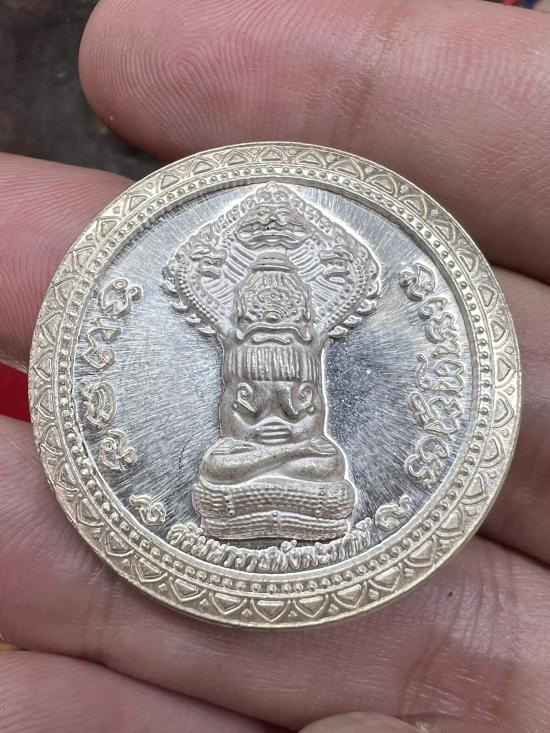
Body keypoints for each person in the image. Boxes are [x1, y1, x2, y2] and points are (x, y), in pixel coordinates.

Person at [0, 0, 549, 731]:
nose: (269, 310)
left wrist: (290, 416)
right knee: (224, 458)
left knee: (317, 456)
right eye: (257, 303)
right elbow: (209, 327)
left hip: (305, 458)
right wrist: (255, 413)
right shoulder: (234, 339)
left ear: (303, 306)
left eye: (282, 302)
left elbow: (325, 362)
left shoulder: (311, 340)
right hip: (243, 460)